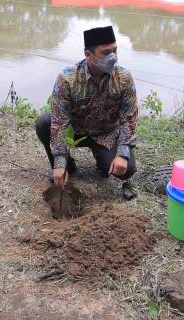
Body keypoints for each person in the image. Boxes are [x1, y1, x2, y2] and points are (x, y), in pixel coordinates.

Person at [35, 25, 138, 199]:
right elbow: (60, 122)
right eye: (106, 52)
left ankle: (102, 159)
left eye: (115, 50)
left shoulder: (124, 77)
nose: (113, 56)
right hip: (76, 132)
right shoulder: (67, 78)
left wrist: (122, 154)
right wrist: (60, 162)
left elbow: (129, 119)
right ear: (88, 55)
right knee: (44, 123)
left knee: (126, 170)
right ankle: (67, 165)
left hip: (106, 134)